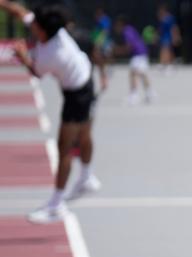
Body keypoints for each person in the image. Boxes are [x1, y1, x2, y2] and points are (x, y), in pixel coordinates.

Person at [0, 1, 103, 223]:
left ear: (41, 28)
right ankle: (86, 178)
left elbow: (36, 72)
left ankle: (56, 205)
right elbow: (19, 11)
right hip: (86, 81)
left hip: (77, 94)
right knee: (84, 135)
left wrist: (22, 54)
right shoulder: (53, 32)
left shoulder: (51, 53)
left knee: (64, 148)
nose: (31, 23)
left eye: (34, 23)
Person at [113, 14, 154, 105]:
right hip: (142, 51)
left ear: (120, 24)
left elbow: (129, 46)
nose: (116, 27)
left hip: (138, 53)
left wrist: (118, 50)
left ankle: (134, 95)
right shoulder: (130, 29)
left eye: (116, 25)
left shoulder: (126, 31)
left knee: (133, 73)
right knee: (142, 73)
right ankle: (149, 93)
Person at [156, 3, 179, 74]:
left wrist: (175, 37)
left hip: (168, 36)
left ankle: (167, 65)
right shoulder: (162, 18)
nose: (160, 12)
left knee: (166, 50)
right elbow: (161, 29)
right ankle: (167, 64)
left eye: (161, 11)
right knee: (166, 50)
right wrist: (157, 35)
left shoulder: (170, 18)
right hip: (163, 36)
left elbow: (174, 28)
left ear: (164, 10)